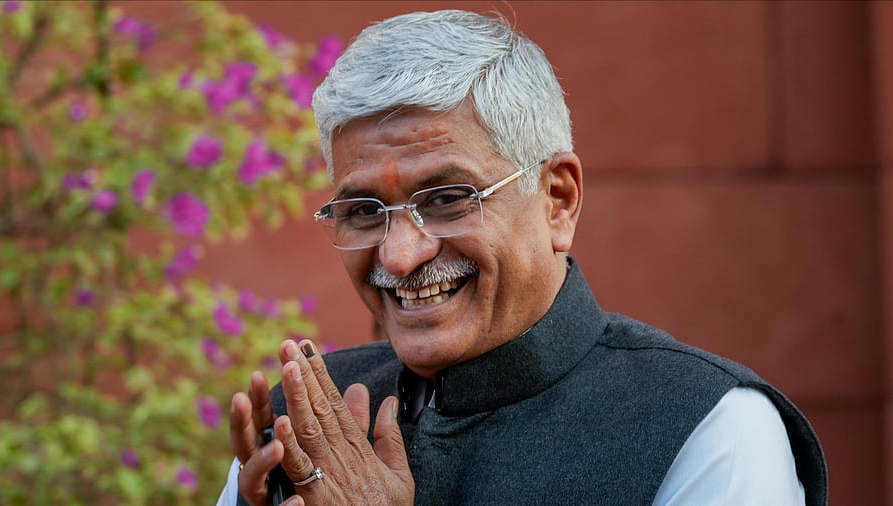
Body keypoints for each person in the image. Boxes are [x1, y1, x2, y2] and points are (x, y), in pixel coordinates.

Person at [217, 9, 827, 506]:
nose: (400, 257)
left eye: (450, 199)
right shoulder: (301, 435)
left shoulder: (706, 428)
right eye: (363, 211)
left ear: (558, 200)